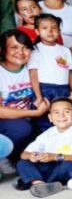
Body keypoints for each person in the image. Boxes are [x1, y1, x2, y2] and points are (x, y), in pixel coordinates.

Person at [15, 98, 72, 197]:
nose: (61, 116)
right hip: (47, 165)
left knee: (69, 166)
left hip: (62, 166)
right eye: (56, 112)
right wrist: (32, 156)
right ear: (50, 117)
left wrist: (55, 156)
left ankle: (32, 180)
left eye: (67, 111)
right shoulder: (48, 133)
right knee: (22, 163)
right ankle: (39, 184)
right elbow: (24, 154)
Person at [0, 30, 51, 163]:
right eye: (14, 47)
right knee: (22, 128)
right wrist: (34, 113)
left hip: (28, 117)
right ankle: (4, 156)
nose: (21, 52)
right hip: (7, 122)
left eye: (25, 48)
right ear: (3, 49)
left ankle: (19, 160)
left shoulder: (33, 67)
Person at [28, 14, 72, 132]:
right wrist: (39, 96)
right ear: (37, 31)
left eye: (54, 28)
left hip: (63, 90)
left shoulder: (65, 50)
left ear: (59, 30)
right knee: (45, 122)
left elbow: (69, 73)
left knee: (64, 119)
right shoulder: (35, 50)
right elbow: (33, 75)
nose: (50, 31)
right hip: (44, 89)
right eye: (45, 28)